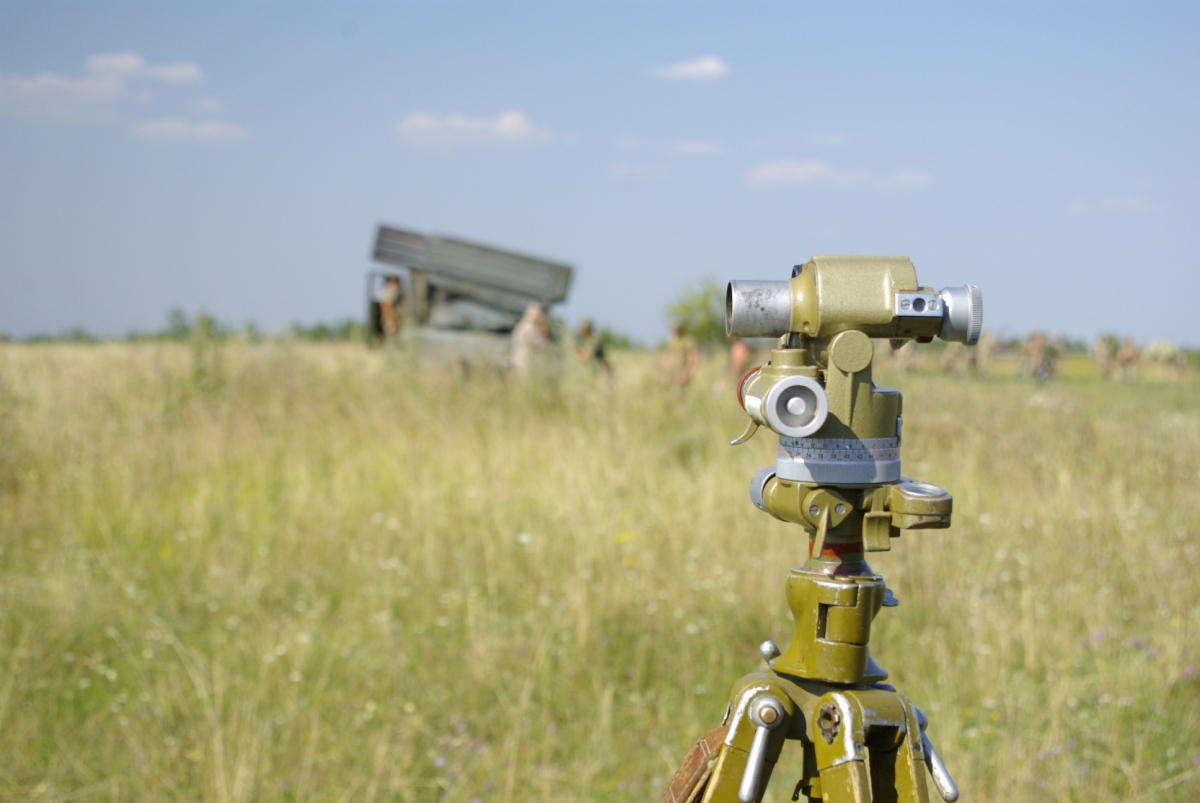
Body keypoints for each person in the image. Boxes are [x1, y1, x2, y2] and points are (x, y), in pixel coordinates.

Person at [510, 303, 549, 376]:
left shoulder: (520, 325)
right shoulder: (531, 327)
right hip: (525, 362)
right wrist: (544, 334)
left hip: (516, 359)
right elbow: (540, 345)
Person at [661, 323, 699, 389]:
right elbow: (667, 357)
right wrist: (663, 372)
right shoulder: (672, 341)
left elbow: (692, 359)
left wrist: (685, 374)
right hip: (672, 371)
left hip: (683, 370)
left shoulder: (687, 341)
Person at [379, 275, 404, 344]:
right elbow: (385, 305)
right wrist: (393, 320)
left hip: (392, 319)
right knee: (390, 341)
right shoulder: (390, 289)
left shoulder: (393, 289)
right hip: (390, 321)